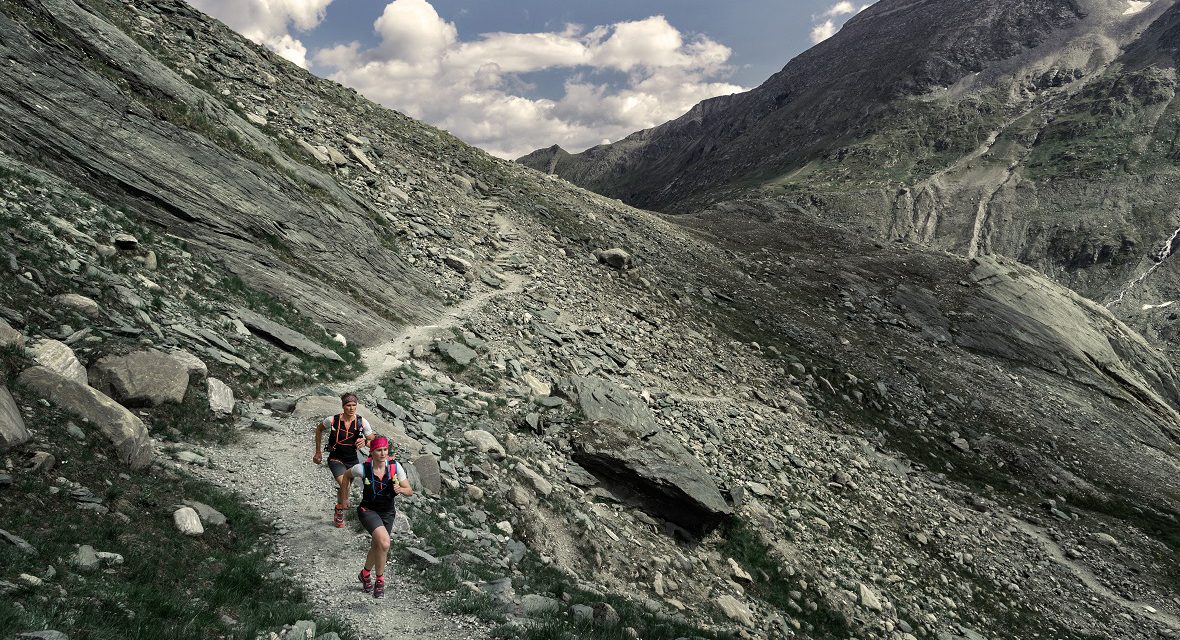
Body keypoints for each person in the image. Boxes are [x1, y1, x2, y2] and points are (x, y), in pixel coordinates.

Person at [340, 435, 412, 598]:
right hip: (368, 510)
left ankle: (365, 574)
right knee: (385, 543)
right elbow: (346, 475)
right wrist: (344, 498)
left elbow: (409, 490)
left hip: (388, 512)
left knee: (378, 545)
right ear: (371, 452)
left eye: (385, 450)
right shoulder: (362, 468)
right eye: (379, 450)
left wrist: (401, 489)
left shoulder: (395, 467)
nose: (382, 453)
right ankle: (379, 581)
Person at [312, 392, 375, 527]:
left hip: (352, 460)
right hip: (336, 458)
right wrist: (318, 452)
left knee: (345, 487)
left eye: (354, 405)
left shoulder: (362, 422)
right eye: (348, 405)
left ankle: (338, 509)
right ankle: (342, 508)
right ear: (343, 406)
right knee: (344, 484)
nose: (351, 408)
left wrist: (365, 441)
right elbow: (319, 430)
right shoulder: (333, 420)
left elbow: (372, 441)